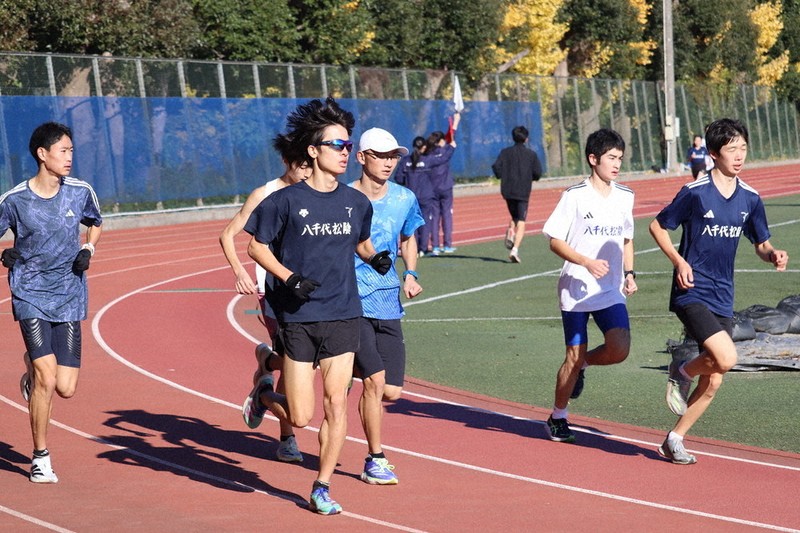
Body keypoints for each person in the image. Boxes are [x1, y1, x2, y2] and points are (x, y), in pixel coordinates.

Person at [240, 97, 392, 515]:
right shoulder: (284, 201)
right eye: (337, 145)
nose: (345, 152)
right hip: (299, 317)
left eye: (347, 145)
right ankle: (264, 392)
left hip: (343, 312)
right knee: (302, 417)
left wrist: (373, 256)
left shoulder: (356, 202)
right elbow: (256, 246)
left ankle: (321, 485)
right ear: (313, 151)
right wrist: (289, 278)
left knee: (336, 403)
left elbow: (359, 241)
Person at [649, 118, 788, 465]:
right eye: (731, 149)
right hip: (692, 290)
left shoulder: (751, 198)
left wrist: (772, 254)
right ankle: (680, 371)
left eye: (743, 147)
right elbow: (657, 226)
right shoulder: (695, 192)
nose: (739, 155)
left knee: (713, 381)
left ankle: (674, 439)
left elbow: (760, 242)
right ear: (713, 154)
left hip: (723, 295)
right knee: (726, 358)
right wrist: (679, 262)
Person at [0, 122, 103, 483]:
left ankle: (30, 366)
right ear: (42, 154)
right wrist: (6, 255)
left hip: (69, 293)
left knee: (66, 387)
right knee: (47, 377)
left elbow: (95, 222)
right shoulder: (14, 200)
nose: (70, 157)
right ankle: (40, 456)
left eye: (72, 150)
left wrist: (88, 247)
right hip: (29, 291)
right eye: (63, 150)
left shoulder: (80, 192)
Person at [541, 128, 637, 444]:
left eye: (620, 158)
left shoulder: (626, 196)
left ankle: (584, 364)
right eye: (611, 157)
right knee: (572, 354)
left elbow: (627, 238)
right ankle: (558, 415)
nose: (617, 163)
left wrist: (630, 272)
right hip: (576, 289)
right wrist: (586, 262)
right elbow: (554, 240)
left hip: (609, 289)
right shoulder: (574, 197)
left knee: (620, 347)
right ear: (593, 159)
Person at [219, 137, 311, 464]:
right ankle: (287, 438)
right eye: (301, 166)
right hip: (272, 289)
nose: (306, 172)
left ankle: (264, 364)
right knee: (295, 362)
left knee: (301, 362)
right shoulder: (265, 194)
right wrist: (239, 272)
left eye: (310, 166)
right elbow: (228, 234)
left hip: (305, 288)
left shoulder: (314, 191)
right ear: (287, 162)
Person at [350, 128, 424, 485]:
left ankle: (346, 364)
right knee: (375, 382)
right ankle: (374, 459)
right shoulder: (341, 197)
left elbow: (408, 238)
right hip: (351, 301)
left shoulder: (405, 198)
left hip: (389, 299)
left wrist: (410, 273)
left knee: (391, 391)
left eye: (394, 155)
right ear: (362, 157)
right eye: (381, 155)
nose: (389, 162)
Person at [492, 125, 543, 263]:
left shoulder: (505, 152)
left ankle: (510, 230)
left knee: (515, 216)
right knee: (521, 220)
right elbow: (537, 172)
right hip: (522, 191)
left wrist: (503, 176)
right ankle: (515, 250)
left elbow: (496, 167)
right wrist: (530, 177)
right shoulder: (531, 155)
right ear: (526, 139)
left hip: (507, 191)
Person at [396, 136, 435, 256]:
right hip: (426, 196)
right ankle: (423, 248)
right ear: (423, 147)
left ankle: (414, 248)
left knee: (411, 224)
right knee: (425, 223)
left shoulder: (405, 160)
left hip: (411, 197)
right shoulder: (428, 160)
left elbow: (398, 177)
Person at [428, 111, 461, 254]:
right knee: (446, 215)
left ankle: (435, 246)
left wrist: (455, 123)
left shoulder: (427, 154)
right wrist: (456, 123)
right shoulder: (446, 151)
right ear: (440, 141)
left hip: (432, 189)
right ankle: (447, 245)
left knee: (434, 217)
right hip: (446, 188)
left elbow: (449, 137)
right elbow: (451, 139)